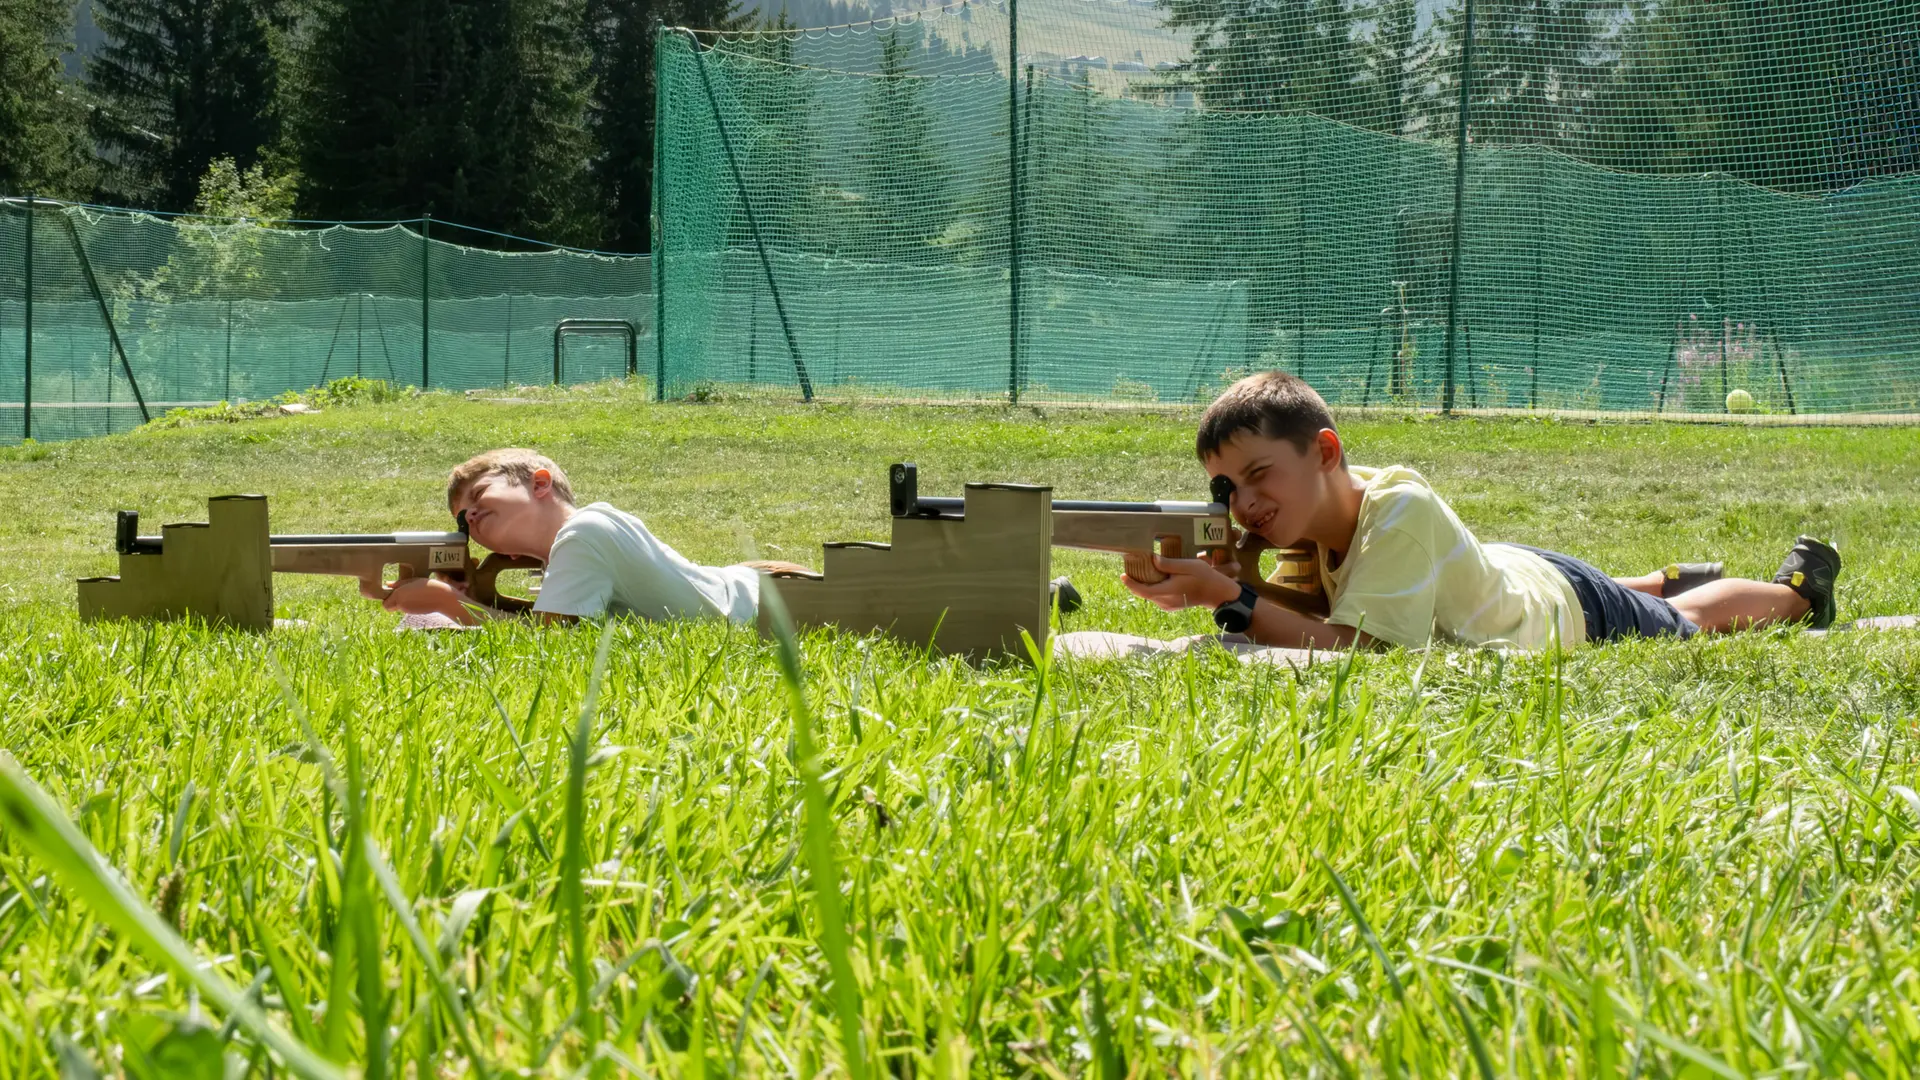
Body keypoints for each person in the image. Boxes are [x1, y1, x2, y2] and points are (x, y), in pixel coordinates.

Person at [1122, 371, 1842, 651]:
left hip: (1560, 610)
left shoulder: (1397, 509)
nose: (1245, 505)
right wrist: (1241, 579)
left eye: (1257, 478)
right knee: (1623, 590)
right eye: (1226, 491)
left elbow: (1360, 651)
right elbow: (1311, 617)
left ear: (1325, 453)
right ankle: (1659, 575)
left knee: (1688, 623)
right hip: (1508, 574)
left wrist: (1234, 598)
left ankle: (1795, 592)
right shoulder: (1316, 516)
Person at [368, 449, 800, 626]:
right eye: (463, 521)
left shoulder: (583, 534)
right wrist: (472, 599)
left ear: (540, 484)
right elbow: (557, 629)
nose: (472, 516)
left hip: (778, 606)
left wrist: (447, 605)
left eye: (480, 495)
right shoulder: (577, 541)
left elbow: (550, 647)